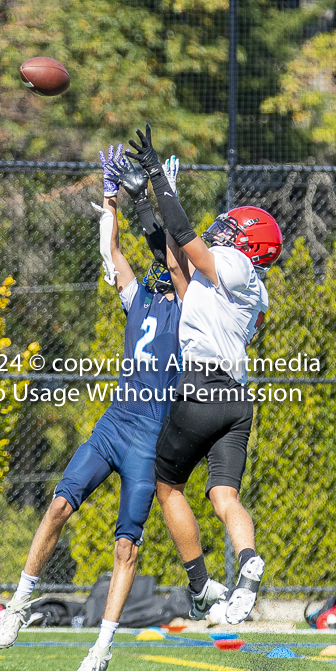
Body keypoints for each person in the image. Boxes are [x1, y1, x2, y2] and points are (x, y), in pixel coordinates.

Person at [0, 146, 190, 671]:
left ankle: (101, 648)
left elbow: (175, 258)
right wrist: (109, 194)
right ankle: (19, 599)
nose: (157, 269)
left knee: (126, 544)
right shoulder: (139, 301)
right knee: (58, 504)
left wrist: (160, 193)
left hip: (151, 436)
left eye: (165, 265)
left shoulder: (188, 304)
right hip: (115, 424)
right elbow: (112, 251)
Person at [127, 124, 282, 625]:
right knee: (224, 495)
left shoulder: (236, 268)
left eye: (237, 232)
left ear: (249, 247)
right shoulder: (239, 293)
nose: (227, 232)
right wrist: (145, 203)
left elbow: (190, 242)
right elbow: (170, 256)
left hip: (201, 388)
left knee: (167, 484)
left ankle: (199, 585)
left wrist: (157, 175)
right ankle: (247, 562)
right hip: (236, 401)